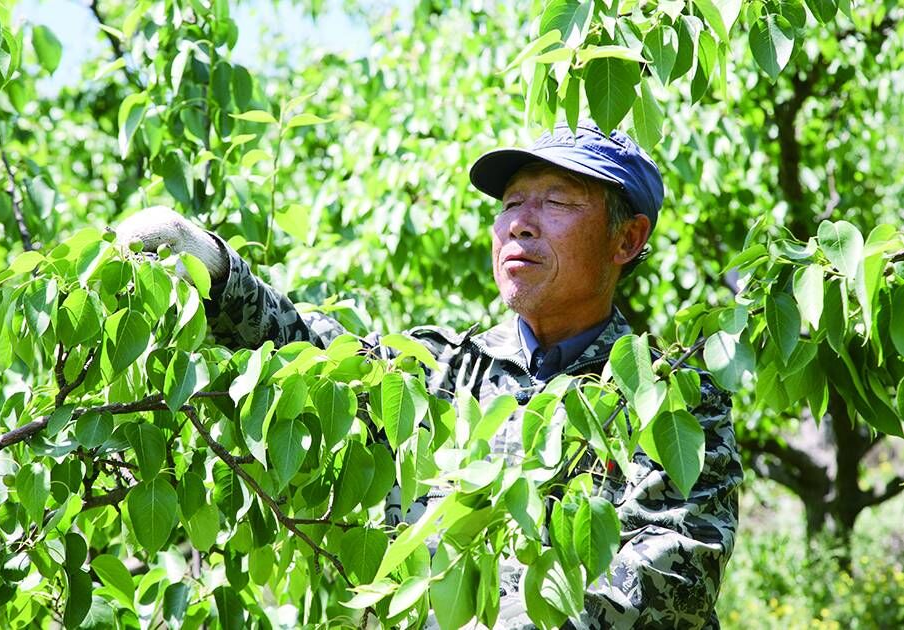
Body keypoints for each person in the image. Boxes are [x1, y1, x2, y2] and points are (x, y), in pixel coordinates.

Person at [117, 120, 742, 628]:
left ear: (627, 239)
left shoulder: (667, 395)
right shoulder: (442, 371)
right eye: (512, 203)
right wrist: (219, 272)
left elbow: (676, 568)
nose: (520, 222)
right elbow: (315, 357)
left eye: (555, 202)